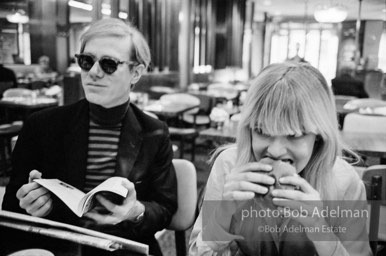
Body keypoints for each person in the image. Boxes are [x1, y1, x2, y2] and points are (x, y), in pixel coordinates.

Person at [2, 18, 177, 256]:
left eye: (108, 64)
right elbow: (12, 206)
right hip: (59, 246)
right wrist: (31, 204)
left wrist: (136, 210)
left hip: (124, 246)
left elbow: (165, 209)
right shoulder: (42, 126)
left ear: (136, 73)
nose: (93, 73)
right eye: (86, 61)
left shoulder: (154, 132)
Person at [189, 62, 371, 256]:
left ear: (318, 135)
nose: (275, 151)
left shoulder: (344, 181)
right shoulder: (229, 166)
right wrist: (221, 217)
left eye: (294, 135)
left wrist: (321, 231)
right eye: (261, 131)